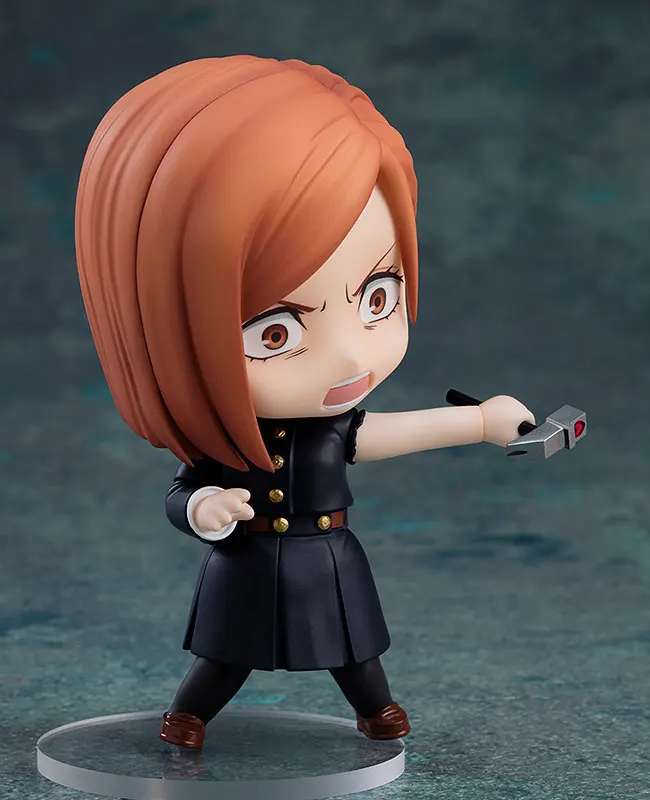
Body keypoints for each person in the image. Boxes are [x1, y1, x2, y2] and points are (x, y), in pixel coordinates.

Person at [75, 56, 534, 749]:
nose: (349, 356)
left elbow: (380, 434)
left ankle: (375, 709)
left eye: (377, 297)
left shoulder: (335, 428)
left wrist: (477, 421)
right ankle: (190, 714)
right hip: (248, 559)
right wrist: (203, 508)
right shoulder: (220, 439)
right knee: (224, 652)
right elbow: (182, 491)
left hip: (327, 553)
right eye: (275, 332)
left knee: (352, 646)